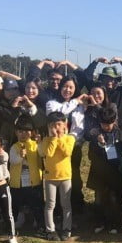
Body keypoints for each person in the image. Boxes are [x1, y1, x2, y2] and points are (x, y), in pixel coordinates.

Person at [46, 75, 86, 214]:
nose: (67, 90)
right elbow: (59, 114)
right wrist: (75, 101)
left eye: (71, 87)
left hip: (73, 146)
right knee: (57, 176)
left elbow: (80, 127)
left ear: (75, 89)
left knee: (74, 176)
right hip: (55, 148)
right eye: (65, 86)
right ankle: (57, 209)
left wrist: (70, 140)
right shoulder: (52, 103)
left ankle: (76, 206)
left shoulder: (80, 107)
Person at [86, 105, 122, 234]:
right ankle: (100, 222)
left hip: (115, 173)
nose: (106, 127)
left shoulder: (121, 135)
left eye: (109, 124)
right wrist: (99, 144)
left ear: (114, 121)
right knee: (99, 199)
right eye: (103, 124)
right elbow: (90, 156)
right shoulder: (95, 136)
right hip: (99, 173)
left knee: (114, 199)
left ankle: (115, 224)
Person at [39, 111, 75, 241]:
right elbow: (46, 154)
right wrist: (53, 139)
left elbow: (67, 152)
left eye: (59, 124)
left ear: (65, 125)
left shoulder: (70, 138)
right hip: (50, 178)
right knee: (50, 204)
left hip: (65, 176)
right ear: (49, 127)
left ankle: (67, 228)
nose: (56, 128)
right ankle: (51, 230)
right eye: (53, 125)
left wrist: (60, 139)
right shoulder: (46, 140)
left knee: (66, 204)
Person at [9, 117, 45, 237]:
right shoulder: (14, 147)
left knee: (36, 203)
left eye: (26, 131)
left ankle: (39, 223)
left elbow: (42, 154)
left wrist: (40, 143)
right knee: (16, 202)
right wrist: (20, 156)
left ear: (32, 132)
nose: (23, 134)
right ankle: (15, 223)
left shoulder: (35, 145)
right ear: (16, 133)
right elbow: (13, 161)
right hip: (17, 182)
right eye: (20, 131)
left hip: (34, 181)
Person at [81, 57, 122, 132]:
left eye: (112, 79)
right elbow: (87, 77)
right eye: (106, 78)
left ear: (116, 81)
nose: (109, 81)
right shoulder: (97, 91)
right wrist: (96, 61)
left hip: (119, 131)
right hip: (99, 130)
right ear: (101, 80)